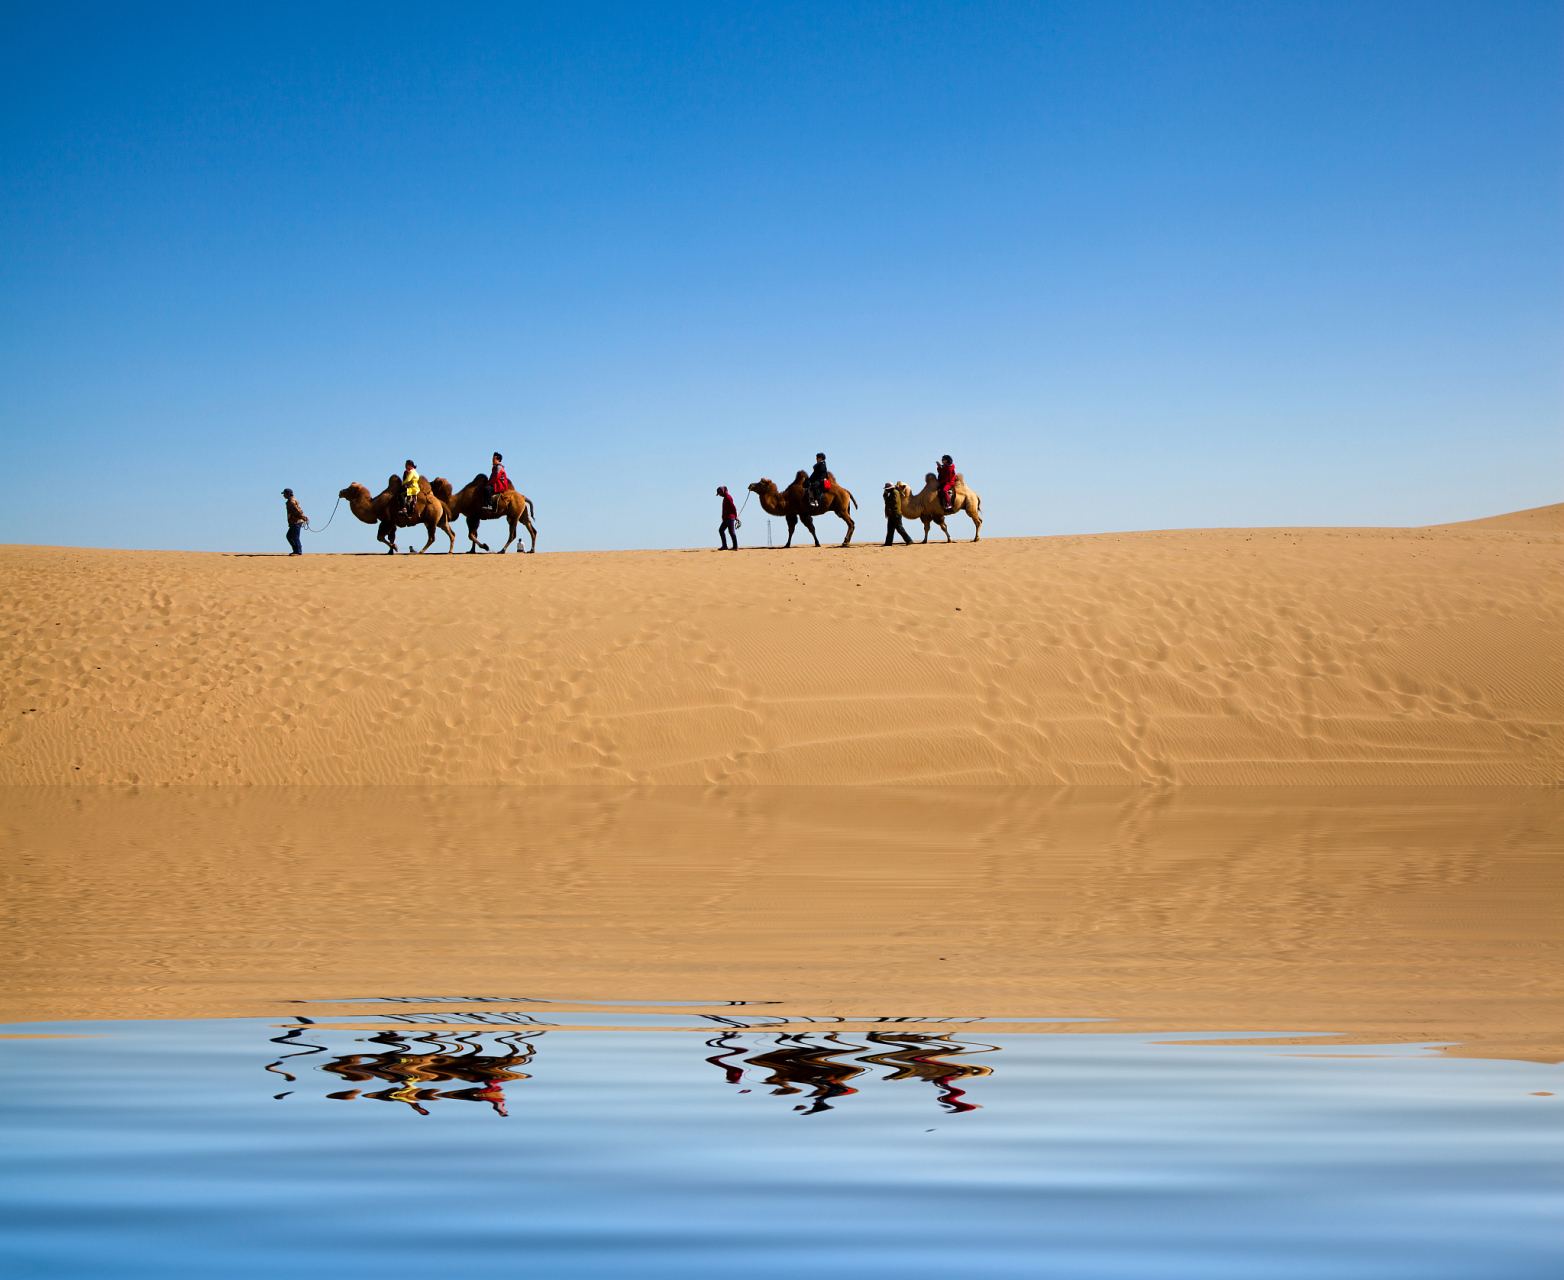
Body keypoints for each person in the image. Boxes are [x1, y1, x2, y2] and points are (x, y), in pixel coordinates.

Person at [283, 489, 307, 555]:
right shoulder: (291, 500)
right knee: (290, 536)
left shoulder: (291, 501)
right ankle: (296, 550)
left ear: (288, 494)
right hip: (294, 521)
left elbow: (297, 510)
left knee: (294, 537)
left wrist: (302, 517)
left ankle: (298, 551)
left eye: (285, 494)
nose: (284, 495)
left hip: (296, 521)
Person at [717, 486, 739, 550]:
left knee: (731, 532)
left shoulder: (728, 497)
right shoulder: (725, 498)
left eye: (720, 493)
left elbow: (733, 507)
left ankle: (735, 547)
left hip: (730, 517)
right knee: (721, 530)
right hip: (726, 518)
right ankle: (724, 546)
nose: (720, 495)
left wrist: (736, 516)